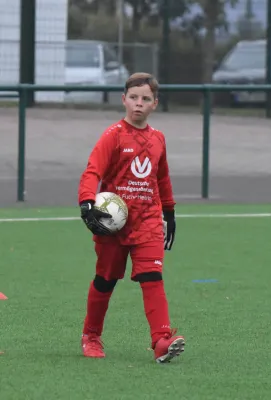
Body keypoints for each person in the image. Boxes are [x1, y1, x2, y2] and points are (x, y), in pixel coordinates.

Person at [78, 72, 185, 363]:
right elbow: (93, 171)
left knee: (153, 277)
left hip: (148, 220)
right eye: (134, 98)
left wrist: (170, 211)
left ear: (154, 104)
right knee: (106, 280)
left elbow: (162, 178)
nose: (139, 104)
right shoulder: (113, 136)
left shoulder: (158, 139)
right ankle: (91, 335)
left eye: (145, 99)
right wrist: (87, 203)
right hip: (112, 225)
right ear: (124, 100)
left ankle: (161, 340)